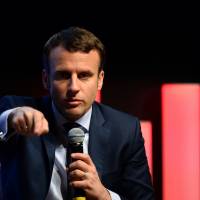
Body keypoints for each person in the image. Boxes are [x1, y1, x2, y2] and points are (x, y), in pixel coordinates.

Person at [0, 26, 154, 200]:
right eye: (63, 75)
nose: (73, 87)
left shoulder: (125, 130)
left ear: (100, 79)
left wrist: (105, 196)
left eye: (84, 75)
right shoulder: (15, 111)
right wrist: (10, 118)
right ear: (46, 79)